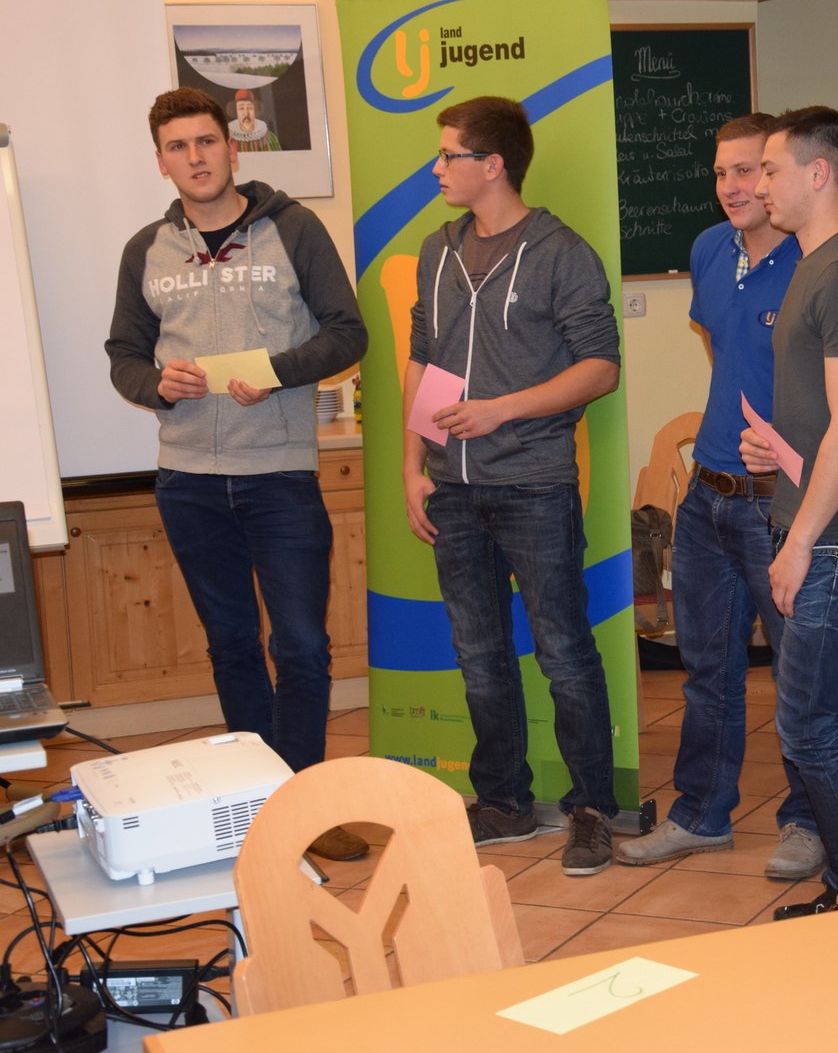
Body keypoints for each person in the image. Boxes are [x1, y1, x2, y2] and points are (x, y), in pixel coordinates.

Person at [106, 87, 367, 861]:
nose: (196, 158)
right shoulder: (145, 249)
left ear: (232, 147)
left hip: (278, 475)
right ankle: (259, 805)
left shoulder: (294, 228)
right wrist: (157, 385)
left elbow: (347, 332)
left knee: (302, 646)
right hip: (187, 481)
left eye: (206, 142)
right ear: (162, 161)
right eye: (178, 147)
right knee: (230, 645)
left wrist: (279, 371)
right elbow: (124, 355)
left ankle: (306, 806)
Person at [401, 96, 621, 875]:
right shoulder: (437, 250)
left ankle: (592, 808)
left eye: (449, 155)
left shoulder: (562, 252)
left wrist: (501, 410)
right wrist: (410, 465)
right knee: (478, 654)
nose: (436, 168)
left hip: (533, 485)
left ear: (492, 165)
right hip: (452, 490)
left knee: (563, 651)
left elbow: (600, 368)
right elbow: (423, 361)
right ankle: (502, 802)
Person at [615, 114, 825, 878]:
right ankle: (700, 815)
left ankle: (809, 821)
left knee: (800, 673)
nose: (732, 187)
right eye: (721, 172)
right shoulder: (709, 249)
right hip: (707, 496)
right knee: (708, 670)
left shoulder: (814, 260)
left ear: (776, 176)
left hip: (780, 503)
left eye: (748, 171)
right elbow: (721, 345)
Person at [740, 105, 838, 918]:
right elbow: (829, 422)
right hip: (828, 529)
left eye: (771, 169)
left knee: (809, 725)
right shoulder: (814, 266)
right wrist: (779, 450)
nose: (759, 184)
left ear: (818, 173)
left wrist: (799, 540)